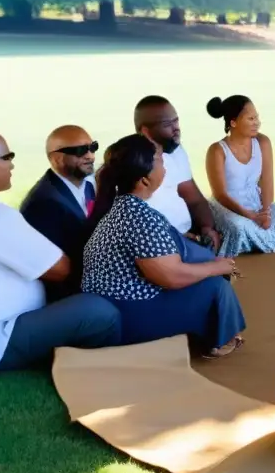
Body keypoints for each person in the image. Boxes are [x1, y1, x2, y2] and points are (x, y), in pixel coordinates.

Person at [0, 128, 121, 379]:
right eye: (7, 157)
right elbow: (60, 269)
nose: (12, 165)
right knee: (99, 311)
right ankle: (104, 376)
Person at [82, 134, 246, 359]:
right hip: (127, 315)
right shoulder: (138, 216)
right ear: (144, 180)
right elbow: (171, 277)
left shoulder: (123, 207)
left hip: (115, 306)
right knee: (215, 287)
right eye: (158, 159)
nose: (164, 163)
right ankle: (220, 340)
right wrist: (217, 268)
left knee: (206, 274)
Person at [204, 95, 275, 256]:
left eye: (257, 117)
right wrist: (250, 215)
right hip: (227, 206)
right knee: (240, 226)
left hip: (256, 201)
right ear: (233, 122)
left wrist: (266, 212)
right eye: (251, 118)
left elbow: (266, 181)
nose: (257, 123)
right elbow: (221, 194)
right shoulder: (217, 150)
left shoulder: (263, 142)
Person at [134, 95, 220, 262]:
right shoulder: (134, 161)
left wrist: (207, 227)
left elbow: (194, 198)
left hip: (189, 236)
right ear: (145, 131)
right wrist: (176, 238)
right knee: (221, 275)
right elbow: (137, 221)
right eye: (167, 124)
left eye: (176, 121)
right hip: (160, 247)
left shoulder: (176, 151)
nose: (176, 129)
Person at [19, 125, 100, 298]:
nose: (90, 155)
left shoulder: (89, 184)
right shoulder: (42, 204)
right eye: (80, 150)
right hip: (71, 294)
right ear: (56, 158)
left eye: (92, 147)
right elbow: (54, 271)